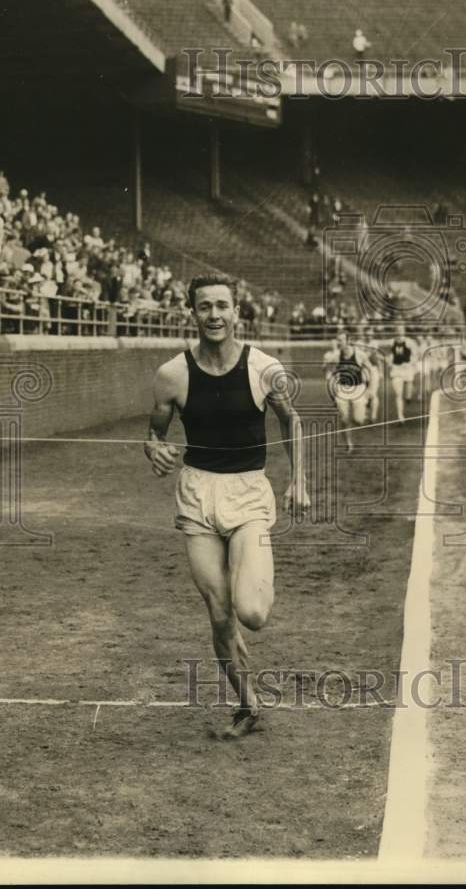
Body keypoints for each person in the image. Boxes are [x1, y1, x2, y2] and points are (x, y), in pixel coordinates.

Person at [143, 273, 309, 739]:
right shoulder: (171, 374)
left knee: (251, 613)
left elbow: (291, 421)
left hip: (249, 494)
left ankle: (245, 595)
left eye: (222, 306)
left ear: (237, 312)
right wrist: (152, 449)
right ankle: (247, 705)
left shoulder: (264, 368)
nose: (214, 315)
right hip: (198, 494)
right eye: (204, 307)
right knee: (219, 614)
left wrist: (299, 479)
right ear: (191, 313)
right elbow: (154, 433)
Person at [323, 330, 371, 452]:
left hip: (358, 388)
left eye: (341, 340)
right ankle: (349, 444)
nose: (339, 343)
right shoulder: (336, 356)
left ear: (348, 341)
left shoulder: (359, 354)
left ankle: (363, 412)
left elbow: (368, 369)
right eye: (338, 340)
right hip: (342, 388)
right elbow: (328, 367)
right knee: (344, 418)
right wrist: (329, 375)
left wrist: (368, 389)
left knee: (358, 420)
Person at [387, 323, 419, 425]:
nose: (399, 332)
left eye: (401, 330)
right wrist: (389, 360)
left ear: (404, 331)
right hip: (396, 370)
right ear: (395, 331)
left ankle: (409, 397)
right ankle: (400, 417)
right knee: (398, 394)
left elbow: (416, 356)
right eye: (397, 330)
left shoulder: (409, 342)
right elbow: (391, 354)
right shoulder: (392, 342)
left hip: (408, 369)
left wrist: (410, 363)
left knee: (408, 393)